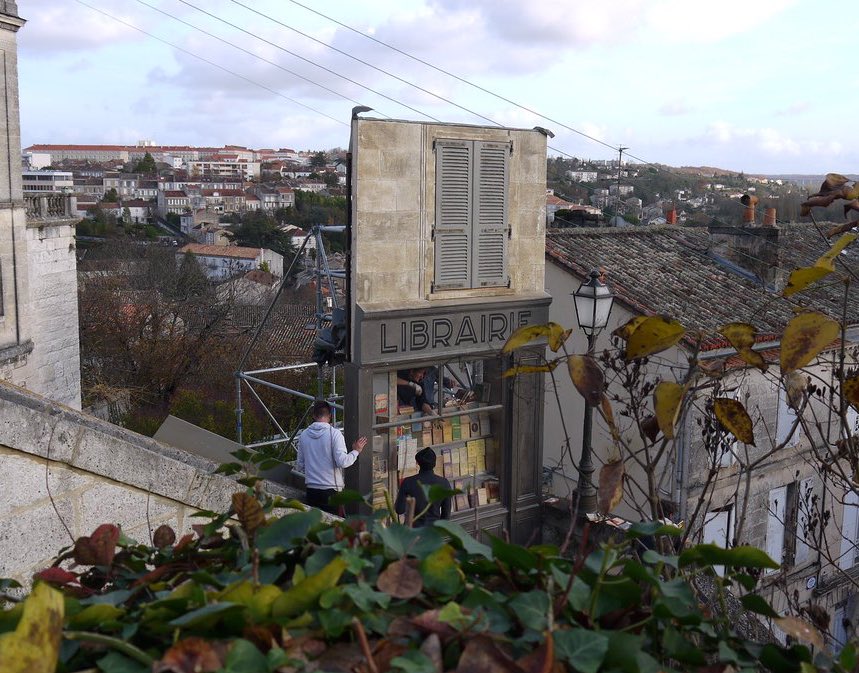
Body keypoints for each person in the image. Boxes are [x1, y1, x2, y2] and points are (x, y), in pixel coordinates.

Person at [296, 399, 367, 514]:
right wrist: (356, 451)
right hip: (331, 491)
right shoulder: (334, 434)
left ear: (314, 415)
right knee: (333, 527)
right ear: (330, 415)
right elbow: (342, 462)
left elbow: (300, 465)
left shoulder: (303, 435)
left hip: (311, 490)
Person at [394, 448, 452, 527]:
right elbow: (446, 515)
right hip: (433, 532)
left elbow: (399, 510)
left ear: (418, 463)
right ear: (434, 464)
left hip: (412, 531)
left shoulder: (408, 482)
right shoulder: (444, 483)